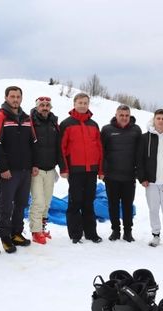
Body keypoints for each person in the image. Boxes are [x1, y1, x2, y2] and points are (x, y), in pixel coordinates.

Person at [0, 86, 38, 253]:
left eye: (18, 96)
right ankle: (5, 236)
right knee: (6, 204)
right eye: (12, 96)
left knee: (21, 203)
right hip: (9, 171)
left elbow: (33, 143)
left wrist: (34, 164)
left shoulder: (27, 118)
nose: (15, 99)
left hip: (25, 170)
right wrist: (3, 167)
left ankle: (16, 232)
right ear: (6, 97)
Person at [60, 93, 103, 244]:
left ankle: (91, 233)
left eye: (85, 103)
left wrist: (101, 170)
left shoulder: (93, 124)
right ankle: (75, 234)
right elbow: (62, 148)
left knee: (89, 202)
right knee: (75, 202)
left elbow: (99, 148)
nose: (83, 105)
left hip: (91, 170)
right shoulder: (67, 124)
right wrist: (64, 168)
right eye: (80, 102)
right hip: (75, 170)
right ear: (74, 103)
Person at [137, 109, 163, 247]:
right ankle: (155, 235)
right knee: (153, 209)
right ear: (154, 120)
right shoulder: (145, 138)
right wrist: (142, 177)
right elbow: (140, 160)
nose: (161, 121)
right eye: (158, 118)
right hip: (151, 182)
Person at [100, 105, 142, 242]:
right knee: (113, 204)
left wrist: (138, 171)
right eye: (121, 115)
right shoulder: (107, 130)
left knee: (128, 205)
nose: (124, 118)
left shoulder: (136, 130)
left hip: (129, 176)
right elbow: (102, 152)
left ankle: (128, 232)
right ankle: (115, 231)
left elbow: (139, 153)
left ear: (130, 116)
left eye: (126, 115)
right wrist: (102, 170)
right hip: (111, 175)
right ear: (116, 115)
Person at [29, 96, 65, 245]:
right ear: (37, 107)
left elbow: (59, 147)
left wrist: (61, 167)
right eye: (41, 105)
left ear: (50, 107)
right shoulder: (30, 122)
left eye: (47, 105)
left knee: (47, 202)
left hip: (50, 169)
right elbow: (27, 145)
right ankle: (35, 231)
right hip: (36, 170)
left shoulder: (54, 124)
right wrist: (32, 164)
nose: (44, 107)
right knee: (38, 201)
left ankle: (42, 228)